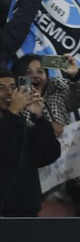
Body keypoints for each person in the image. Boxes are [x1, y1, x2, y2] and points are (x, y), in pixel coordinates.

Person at [0, 69, 59, 217]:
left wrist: (39, 117)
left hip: (27, 213)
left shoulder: (21, 125)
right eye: (1, 88)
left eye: (13, 88)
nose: (8, 93)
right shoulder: (12, 122)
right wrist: (13, 112)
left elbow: (48, 155)